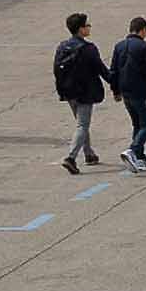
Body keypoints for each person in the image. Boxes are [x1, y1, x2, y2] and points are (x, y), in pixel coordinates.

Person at [51, 13, 112, 177]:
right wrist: (115, 83)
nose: (89, 27)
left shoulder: (62, 47)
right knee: (82, 125)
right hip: (85, 91)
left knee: (81, 123)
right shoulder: (88, 48)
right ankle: (71, 158)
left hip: (69, 91)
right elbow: (102, 70)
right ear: (80, 29)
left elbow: (56, 70)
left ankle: (89, 154)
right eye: (87, 25)